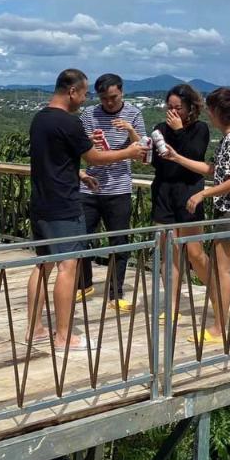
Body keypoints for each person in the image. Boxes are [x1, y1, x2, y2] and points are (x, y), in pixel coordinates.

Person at [27, 68, 145, 351]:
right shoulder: (68, 123)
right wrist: (129, 152)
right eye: (83, 93)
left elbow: (53, 161)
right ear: (71, 91)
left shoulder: (39, 119)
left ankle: (36, 329)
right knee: (68, 267)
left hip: (40, 202)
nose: (84, 99)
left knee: (43, 265)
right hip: (64, 205)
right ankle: (64, 336)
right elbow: (94, 157)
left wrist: (77, 174)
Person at [160, 86, 230, 342]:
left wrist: (203, 195)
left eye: (210, 110)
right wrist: (178, 158)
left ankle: (219, 327)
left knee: (222, 271)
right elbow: (214, 171)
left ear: (217, 112)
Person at [76, 73, 146, 310]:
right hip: (90, 187)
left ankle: (116, 294)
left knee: (119, 241)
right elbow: (79, 147)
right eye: (104, 98)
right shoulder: (89, 114)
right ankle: (83, 284)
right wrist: (90, 141)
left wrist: (130, 131)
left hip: (119, 189)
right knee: (81, 239)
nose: (109, 103)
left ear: (122, 92)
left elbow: (145, 154)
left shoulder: (134, 113)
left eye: (113, 98)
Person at [150, 83, 217, 325]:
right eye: (170, 107)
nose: (173, 112)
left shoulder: (200, 129)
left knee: (194, 252)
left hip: (189, 192)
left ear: (190, 107)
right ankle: (172, 306)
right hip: (164, 193)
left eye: (178, 107)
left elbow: (194, 157)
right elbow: (159, 163)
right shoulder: (160, 128)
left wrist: (178, 132)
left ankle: (218, 295)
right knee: (169, 253)